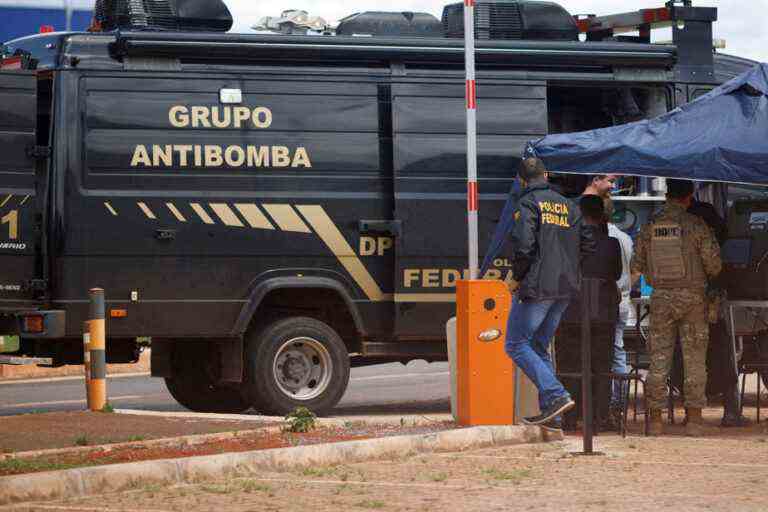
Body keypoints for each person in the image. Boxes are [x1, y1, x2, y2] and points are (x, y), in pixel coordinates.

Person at [631, 179, 722, 436]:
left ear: (668, 195)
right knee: (694, 360)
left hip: (661, 298)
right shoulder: (696, 225)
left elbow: (637, 264)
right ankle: (694, 419)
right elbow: (714, 265)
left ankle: (656, 420)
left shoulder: (650, 226)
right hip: (693, 299)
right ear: (689, 197)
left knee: (659, 359)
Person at [504, 157, 582, 426]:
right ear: (546, 175)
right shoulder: (570, 206)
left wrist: (516, 276)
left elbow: (524, 246)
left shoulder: (527, 203)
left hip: (539, 286)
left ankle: (556, 394)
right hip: (565, 287)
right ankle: (553, 414)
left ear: (522, 180)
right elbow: (585, 245)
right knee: (538, 345)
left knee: (515, 344)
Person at [556, 195, 622, 430]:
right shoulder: (611, 243)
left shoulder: (566, 242)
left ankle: (571, 417)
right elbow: (615, 273)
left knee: (571, 365)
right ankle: (599, 417)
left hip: (570, 311)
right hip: (603, 312)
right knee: (601, 366)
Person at [688, 194, 747, 426]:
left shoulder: (670, 223)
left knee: (688, 358)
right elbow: (717, 266)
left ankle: (691, 414)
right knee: (723, 353)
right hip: (710, 302)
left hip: (680, 302)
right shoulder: (708, 223)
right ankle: (731, 411)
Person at [604, 198, 634, 424]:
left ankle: (610, 403)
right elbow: (635, 270)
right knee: (618, 350)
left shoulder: (598, 238)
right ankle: (619, 402)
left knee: (606, 352)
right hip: (623, 300)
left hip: (606, 301)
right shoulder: (625, 238)